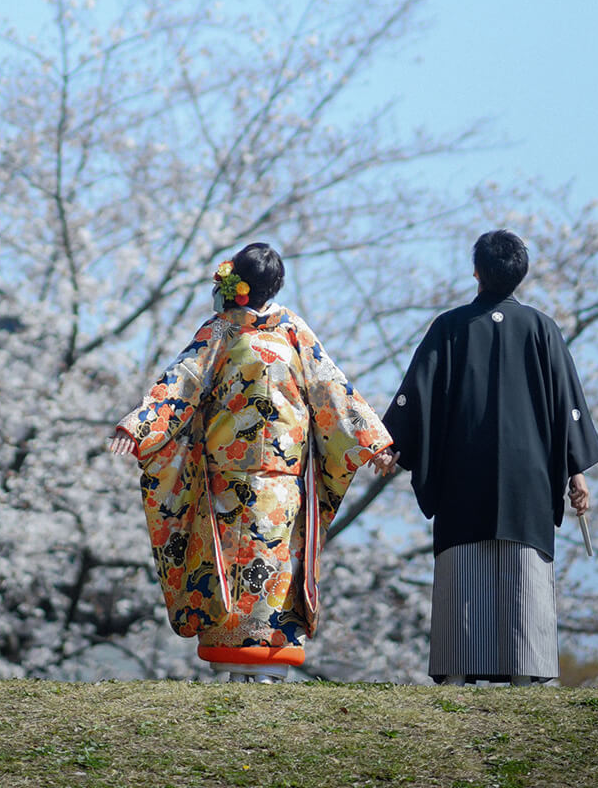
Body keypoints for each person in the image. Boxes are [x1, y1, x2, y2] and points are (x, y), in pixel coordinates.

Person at [110, 242, 394, 681]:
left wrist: (370, 440)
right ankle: (232, 662)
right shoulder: (220, 331)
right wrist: (140, 424)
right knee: (229, 572)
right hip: (226, 486)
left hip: (283, 485)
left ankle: (271, 665)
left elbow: (331, 389)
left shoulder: (294, 330)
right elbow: (181, 381)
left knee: (278, 571)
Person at [384, 229, 598, 686]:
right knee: (523, 566)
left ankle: (458, 671)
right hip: (529, 471)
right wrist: (575, 472)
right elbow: (568, 404)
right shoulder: (543, 327)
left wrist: (393, 444)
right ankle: (527, 671)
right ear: (521, 275)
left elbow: (417, 396)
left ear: (476, 272)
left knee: (464, 564)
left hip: (463, 467)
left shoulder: (450, 326)